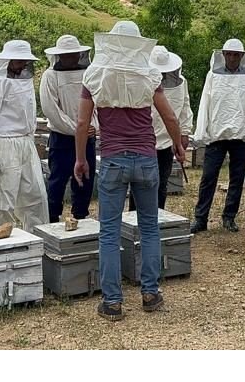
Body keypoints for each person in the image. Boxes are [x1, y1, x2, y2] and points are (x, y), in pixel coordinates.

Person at [78, 21, 186, 321]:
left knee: (109, 232)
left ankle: (112, 302)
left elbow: (82, 125)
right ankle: (151, 294)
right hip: (146, 158)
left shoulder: (94, 75)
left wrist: (80, 159)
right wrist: (178, 145)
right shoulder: (149, 74)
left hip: (113, 159)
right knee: (149, 227)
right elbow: (170, 117)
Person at [190, 38, 245, 234]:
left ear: (242, 56)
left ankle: (229, 217)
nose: (232, 58)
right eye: (228, 54)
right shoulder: (212, 76)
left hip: (240, 135)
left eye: (235, 55)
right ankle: (201, 218)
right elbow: (205, 103)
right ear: (223, 55)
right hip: (217, 135)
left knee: (237, 178)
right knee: (208, 177)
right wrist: (202, 131)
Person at [0, 40, 49, 231]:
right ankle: (5, 243)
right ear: (7, 60)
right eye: (19, 61)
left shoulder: (24, 79)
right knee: (5, 200)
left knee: (36, 195)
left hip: (25, 142)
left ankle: (35, 241)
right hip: (4, 143)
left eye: (26, 61)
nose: (24, 65)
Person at [40, 34, 98, 223]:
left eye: (73, 54)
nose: (70, 58)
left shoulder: (88, 74)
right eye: (66, 54)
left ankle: (80, 215)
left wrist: (93, 127)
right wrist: (77, 129)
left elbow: (98, 103)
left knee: (85, 179)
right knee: (57, 179)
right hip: (61, 137)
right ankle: (52, 217)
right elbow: (51, 109)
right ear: (59, 56)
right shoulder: (50, 76)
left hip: (87, 135)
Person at [130, 45, 194, 210]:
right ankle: (133, 223)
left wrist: (184, 133)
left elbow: (185, 107)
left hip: (167, 142)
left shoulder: (181, 82)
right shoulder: (142, 81)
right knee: (140, 184)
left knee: (161, 184)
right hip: (143, 142)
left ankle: (158, 219)